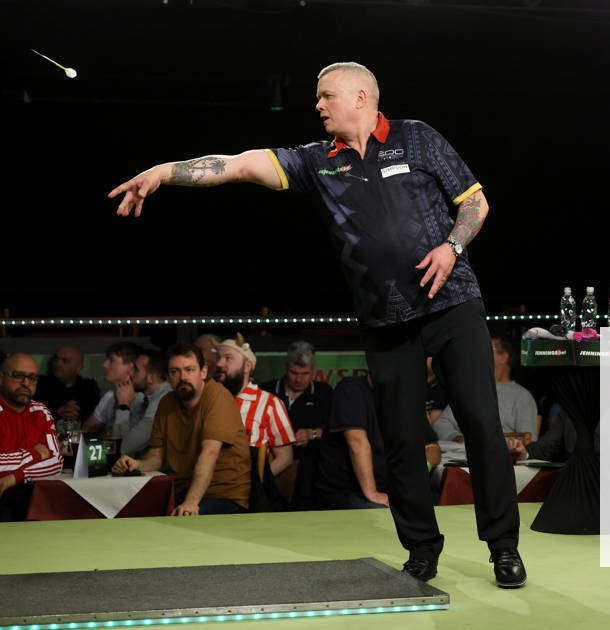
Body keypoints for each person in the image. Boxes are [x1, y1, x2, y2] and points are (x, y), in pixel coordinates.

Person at [109, 61, 524, 587]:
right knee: (398, 439)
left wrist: (452, 247)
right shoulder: (315, 162)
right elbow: (237, 164)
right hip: (385, 319)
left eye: (326, 96)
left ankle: (503, 547)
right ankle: (422, 549)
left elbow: (475, 203)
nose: (318, 105)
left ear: (359, 96)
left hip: (453, 303)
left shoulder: (418, 138)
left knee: (482, 425)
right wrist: (166, 171)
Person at [112, 345, 251, 516]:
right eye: (175, 372)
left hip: (224, 495)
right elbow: (156, 458)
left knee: (173, 520)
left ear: (204, 372)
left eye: (189, 370)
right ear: (168, 377)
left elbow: (210, 453)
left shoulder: (217, 397)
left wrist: (191, 503)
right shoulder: (167, 403)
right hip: (180, 492)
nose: (183, 377)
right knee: (128, 513)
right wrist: (136, 465)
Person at [315, 373, 441, 510]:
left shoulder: (407, 397)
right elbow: (357, 442)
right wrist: (372, 493)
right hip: (348, 493)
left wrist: (418, 474)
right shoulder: (351, 389)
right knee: (387, 515)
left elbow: (432, 447)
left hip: (393, 489)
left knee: (439, 507)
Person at [260, 340, 333, 509]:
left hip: (311, 473)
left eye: (305, 373)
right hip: (273, 465)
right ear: (286, 367)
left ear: (313, 370)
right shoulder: (266, 392)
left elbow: (335, 430)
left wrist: (313, 433)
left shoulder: (324, 393)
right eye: (294, 372)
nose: (299, 379)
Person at [432, 336, 538, 443]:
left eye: (486, 348)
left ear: (503, 357)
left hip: (500, 455)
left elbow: (527, 439)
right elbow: (441, 424)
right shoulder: (470, 390)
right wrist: (456, 437)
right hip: (463, 454)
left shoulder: (522, 396)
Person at [215, 335, 294, 478]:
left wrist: (258, 482)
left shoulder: (269, 403)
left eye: (228, 358)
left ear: (247, 366)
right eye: (218, 358)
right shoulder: (210, 399)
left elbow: (285, 457)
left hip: (246, 491)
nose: (219, 364)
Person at [0, 354, 63, 520]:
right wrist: (34, 454)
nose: (26, 383)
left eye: (32, 377)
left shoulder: (41, 411)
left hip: (33, 503)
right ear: (1, 378)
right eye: (18, 376)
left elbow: (56, 463)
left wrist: (15, 477)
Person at [115, 349, 172, 458]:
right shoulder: (146, 398)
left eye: (136, 369)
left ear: (151, 377)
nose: (130, 374)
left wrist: (123, 405)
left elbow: (122, 447)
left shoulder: (162, 401)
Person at [82, 341, 144, 434]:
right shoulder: (110, 396)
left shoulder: (143, 398)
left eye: (111, 360)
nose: (104, 364)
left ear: (130, 367)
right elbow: (86, 430)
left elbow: (128, 441)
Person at [35, 346, 101, 427]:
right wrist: (57, 413)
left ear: (79, 368)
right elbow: (32, 414)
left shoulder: (88, 388)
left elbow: (97, 418)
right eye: (56, 359)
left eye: (65, 361)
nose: (58, 364)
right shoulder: (40, 384)